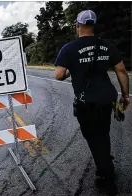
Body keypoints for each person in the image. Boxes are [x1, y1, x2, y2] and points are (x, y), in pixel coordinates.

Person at [54, 10, 130, 196]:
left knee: (93, 137)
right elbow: (121, 70)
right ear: (93, 25)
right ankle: (104, 159)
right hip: (106, 99)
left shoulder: (69, 48)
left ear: (77, 25)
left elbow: (58, 74)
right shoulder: (106, 45)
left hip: (86, 101)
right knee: (102, 133)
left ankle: (106, 175)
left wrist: (71, 70)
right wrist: (125, 96)